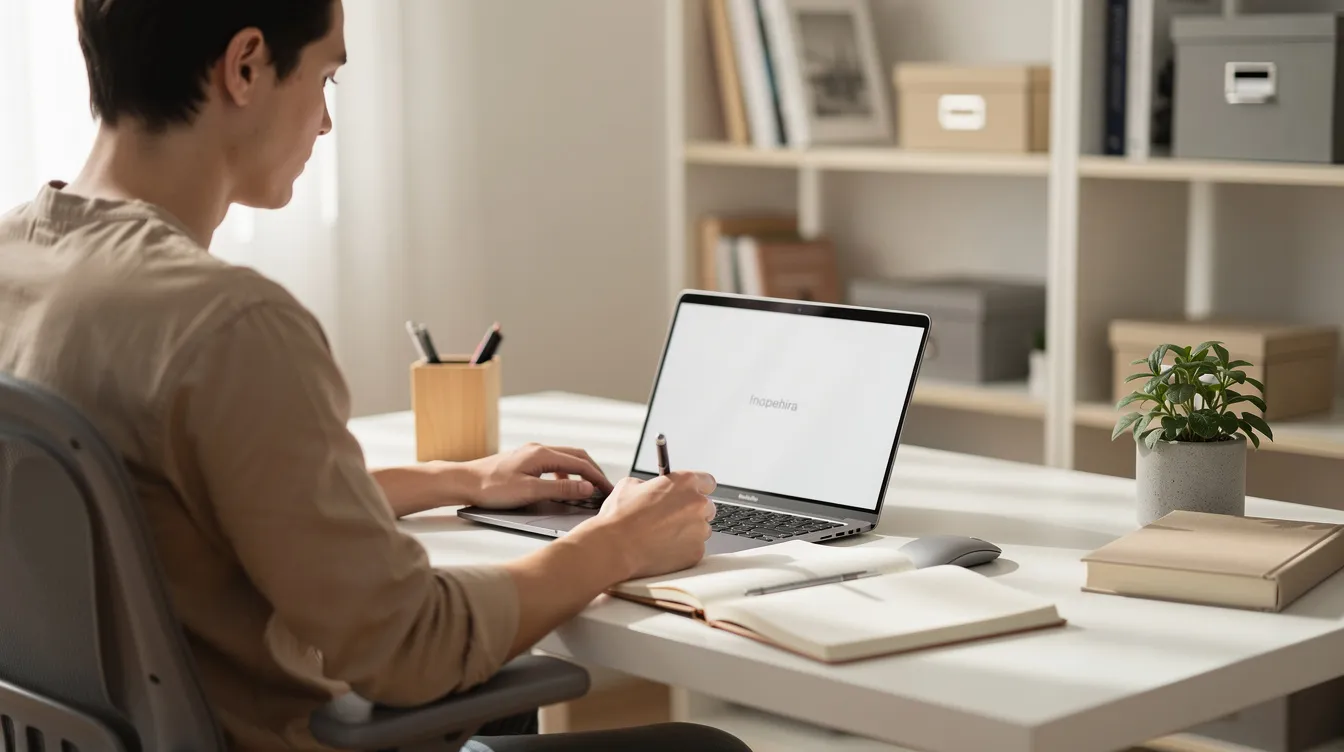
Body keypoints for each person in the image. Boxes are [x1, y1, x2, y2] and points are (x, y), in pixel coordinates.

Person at [0, 2, 751, 751]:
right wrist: (616, 542)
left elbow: (184, 507)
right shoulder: (227, 325)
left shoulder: (18, 262)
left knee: (497, 706)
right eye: (326, 76)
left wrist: (456, 479)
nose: (325, 123)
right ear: (247, 66)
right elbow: (412, 647)